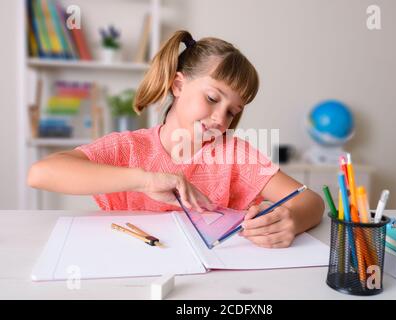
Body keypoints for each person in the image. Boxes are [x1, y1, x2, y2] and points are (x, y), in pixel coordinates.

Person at [27, 30, 324, 248]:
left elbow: (311, 200)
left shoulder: (234, 154)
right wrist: (144, 181)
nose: (221, 119)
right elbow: (41, 173)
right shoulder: (128, 148)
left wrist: (291, 220)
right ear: (178, 85)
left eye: (233, 112)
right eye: (212, 98)